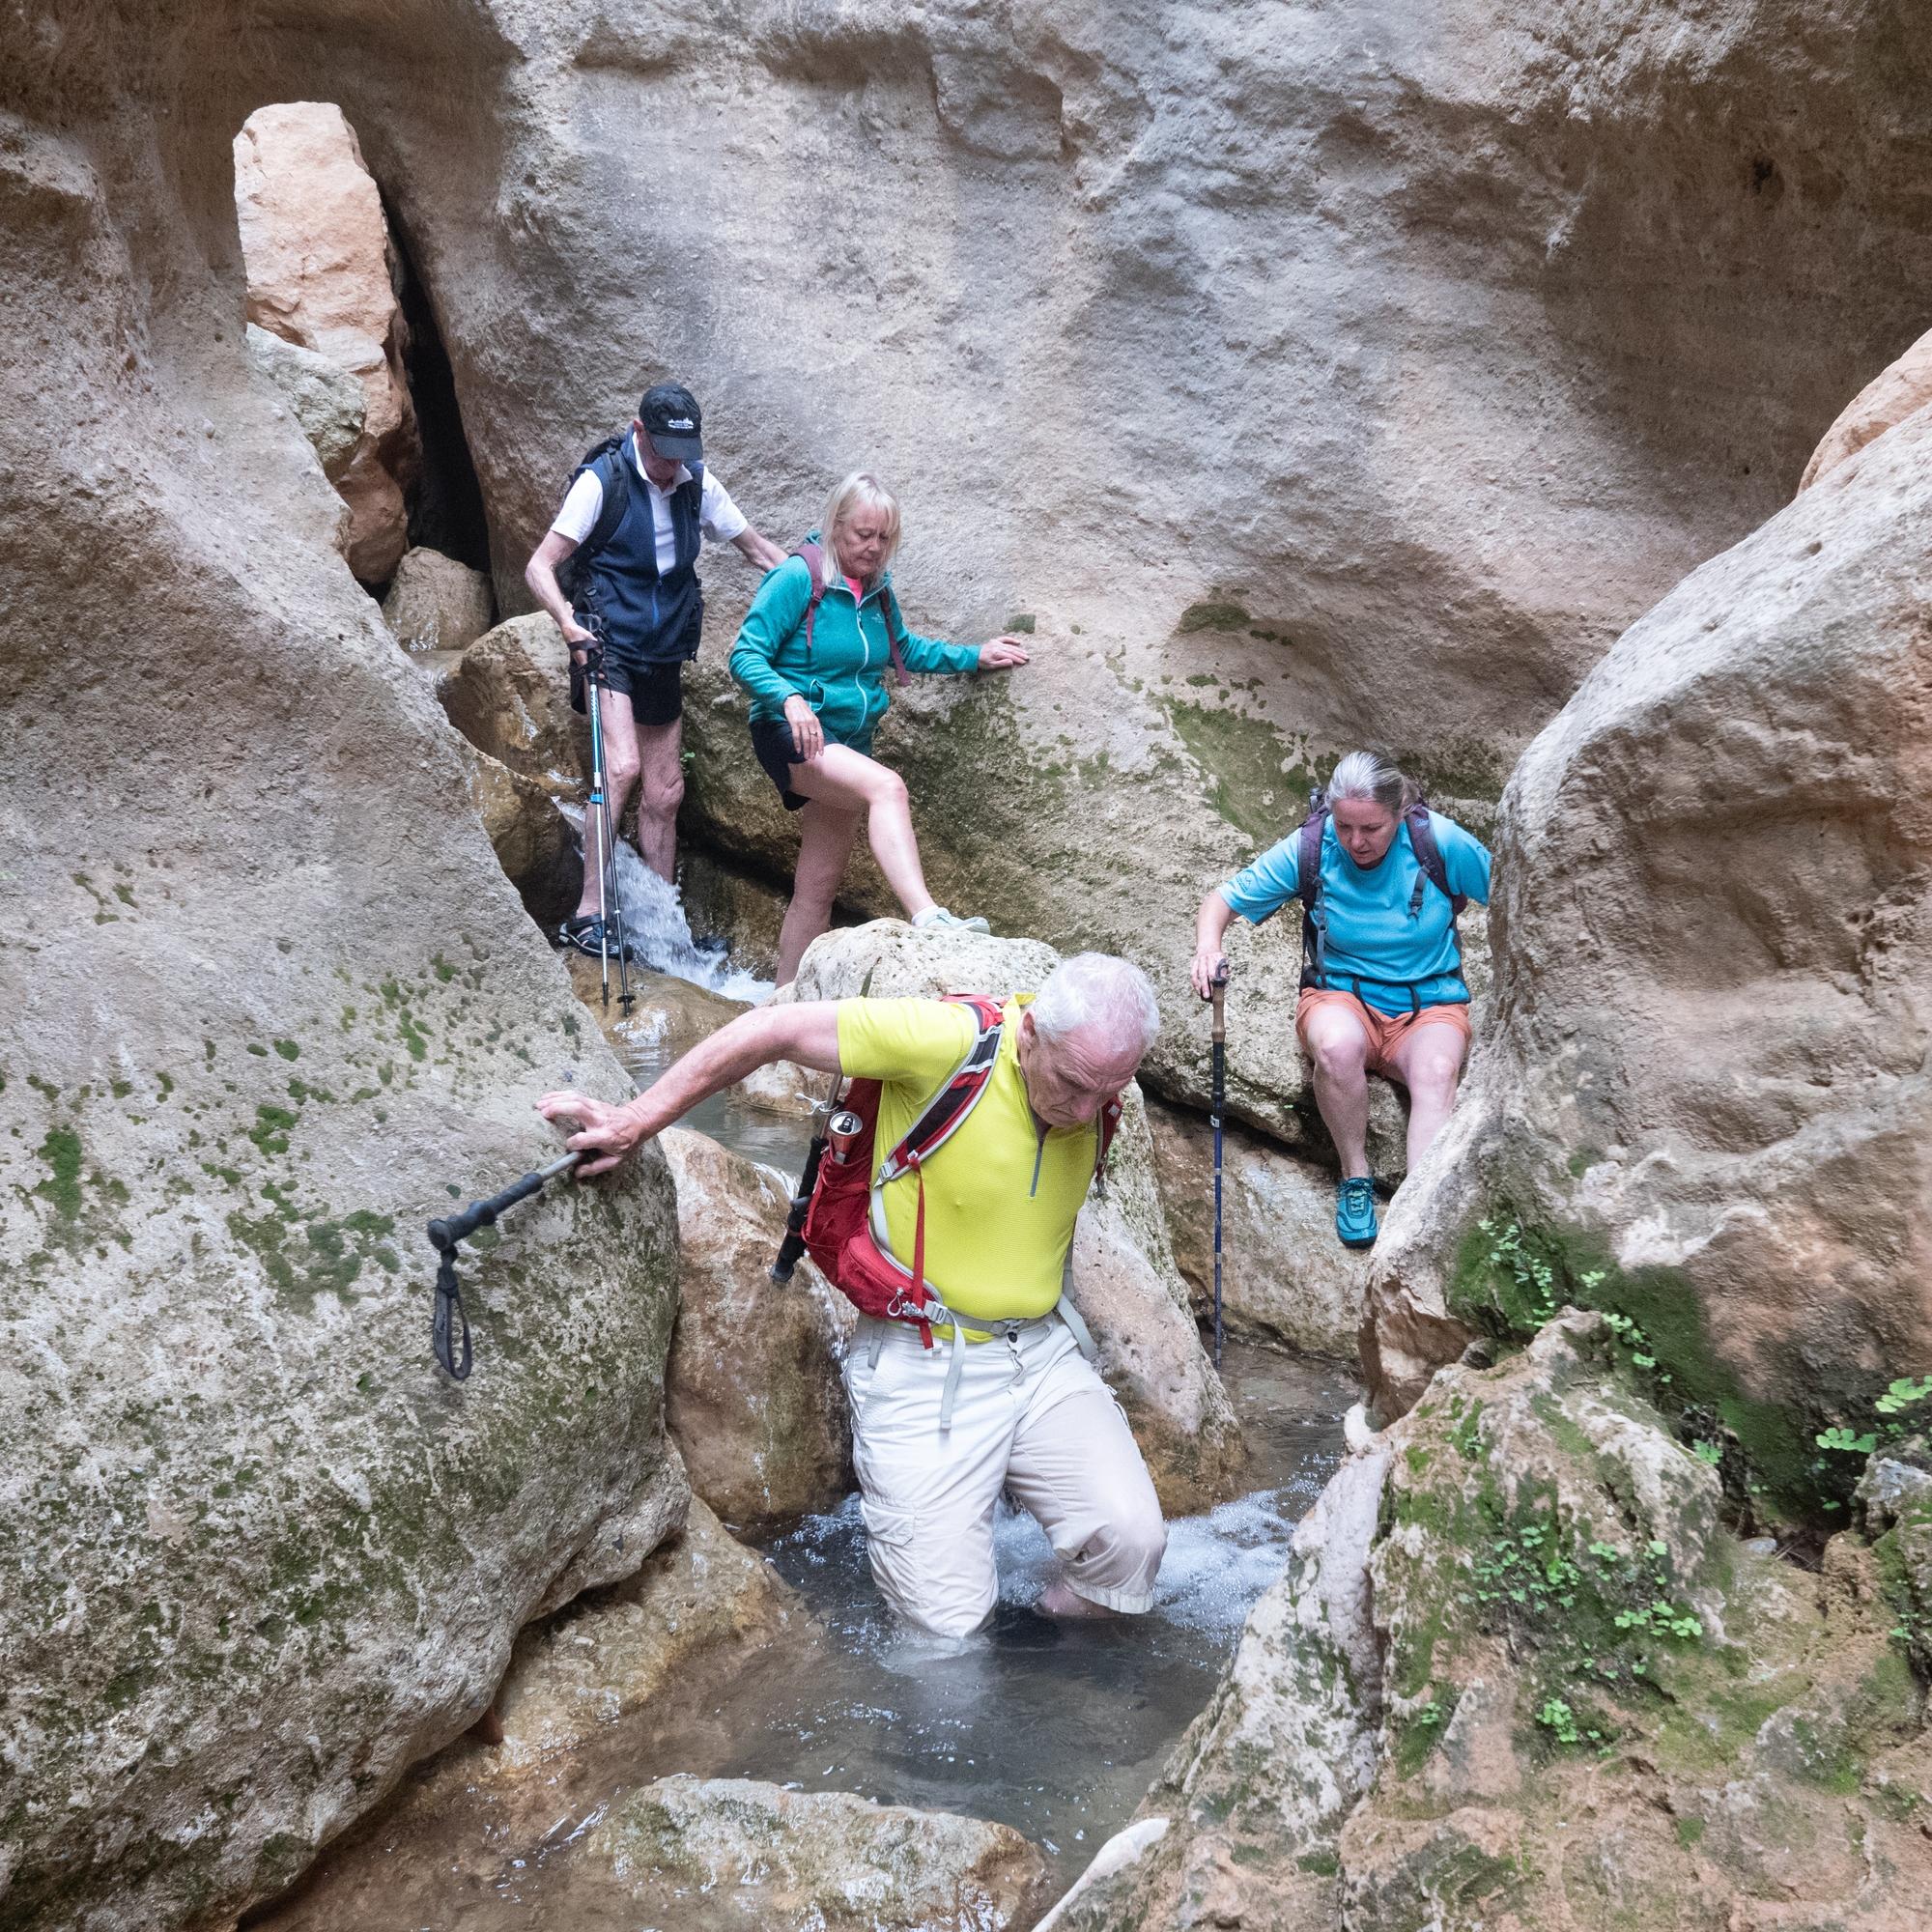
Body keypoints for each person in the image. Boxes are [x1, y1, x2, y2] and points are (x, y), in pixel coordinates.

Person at [536, 952, 1169, 1641]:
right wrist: (635, 1120)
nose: (1083, 1111)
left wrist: (1093, 1091)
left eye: (1104, 1094)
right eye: (1072, 1084)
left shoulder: (1091, 1087)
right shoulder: (946, 1043)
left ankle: (1048, 1652)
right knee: (945, 1636)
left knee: (1130, 1550)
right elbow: (768, 1031)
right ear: (1032, 1034)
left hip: (1041, 1353)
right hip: (925, 1357)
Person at [728, 471, 1031, 984]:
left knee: (817, 888)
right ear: (835, 527)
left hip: (847, 741)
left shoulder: (877, 590)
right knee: (887, 787)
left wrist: (975, 657)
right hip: (790, 731)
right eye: (861, 535)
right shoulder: (798, 578)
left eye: (883, 537)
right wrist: (790, 698)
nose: (872, 548)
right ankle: (929, 917)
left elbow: (904, 650)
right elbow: (744, 655)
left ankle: (780, 1007)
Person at [1190, 751, 1492, 1249]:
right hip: (1341, 995)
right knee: (1334, 1047)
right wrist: (1208, 946)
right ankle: (1356, 1178)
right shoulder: (1314, 844)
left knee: (1437, 1073)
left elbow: (1512, 893)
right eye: (1345, 825)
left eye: (1371, 828)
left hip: (1430, 1002)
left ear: (1400, 812)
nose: (1355, 842)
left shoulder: (1439, 841)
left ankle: (1418, 1214)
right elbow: (1222, 900)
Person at [525, 382, 786, 951]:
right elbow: (540, 566)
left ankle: (662, 928)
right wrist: (569, 624)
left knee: (665, 791)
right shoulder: (603, 481)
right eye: (663, 452)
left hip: (664, 647)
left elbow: (760, 551)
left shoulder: (698, 483)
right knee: (621, 767)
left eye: (682, 454)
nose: (673, 466)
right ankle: (590, 912)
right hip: (606, 641)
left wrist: (814, 587)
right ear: (638, 431)